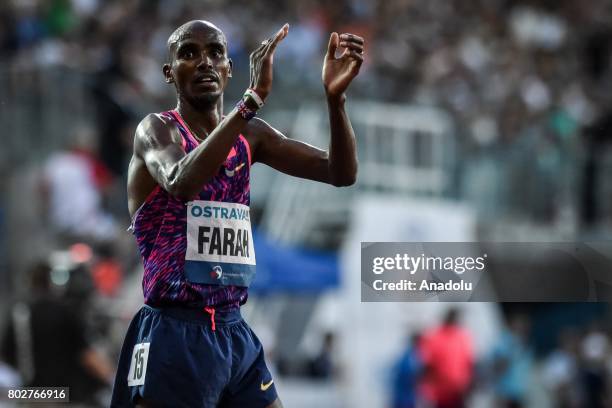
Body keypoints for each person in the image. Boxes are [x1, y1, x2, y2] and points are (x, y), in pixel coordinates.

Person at [111, 19, 364, 407]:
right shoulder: (157, 131)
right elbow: (181, 181)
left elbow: (340, 173)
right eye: (189, 54)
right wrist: (249, 102)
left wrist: (335, 100)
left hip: (233, 330)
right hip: (175, 329)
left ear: (229, 67)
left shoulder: (251, 135)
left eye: (215, 52)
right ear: (169, 73)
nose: (205, 62)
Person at [419, 308, 474, 408]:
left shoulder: (462, 336)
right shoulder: (436, 336)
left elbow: (469, 362)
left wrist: (468, 383)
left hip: (459, 390)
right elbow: (428, 364)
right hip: (441, 391)